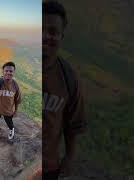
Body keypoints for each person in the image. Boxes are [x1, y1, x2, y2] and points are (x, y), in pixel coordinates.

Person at [41, 1, 88, 179]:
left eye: (53, 31)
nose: (45, 36)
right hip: (13, 163)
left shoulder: (69, 78)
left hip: (48, 168)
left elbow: (73, 125)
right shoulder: (15, 70)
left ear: (61, 35)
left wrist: (68, 159)